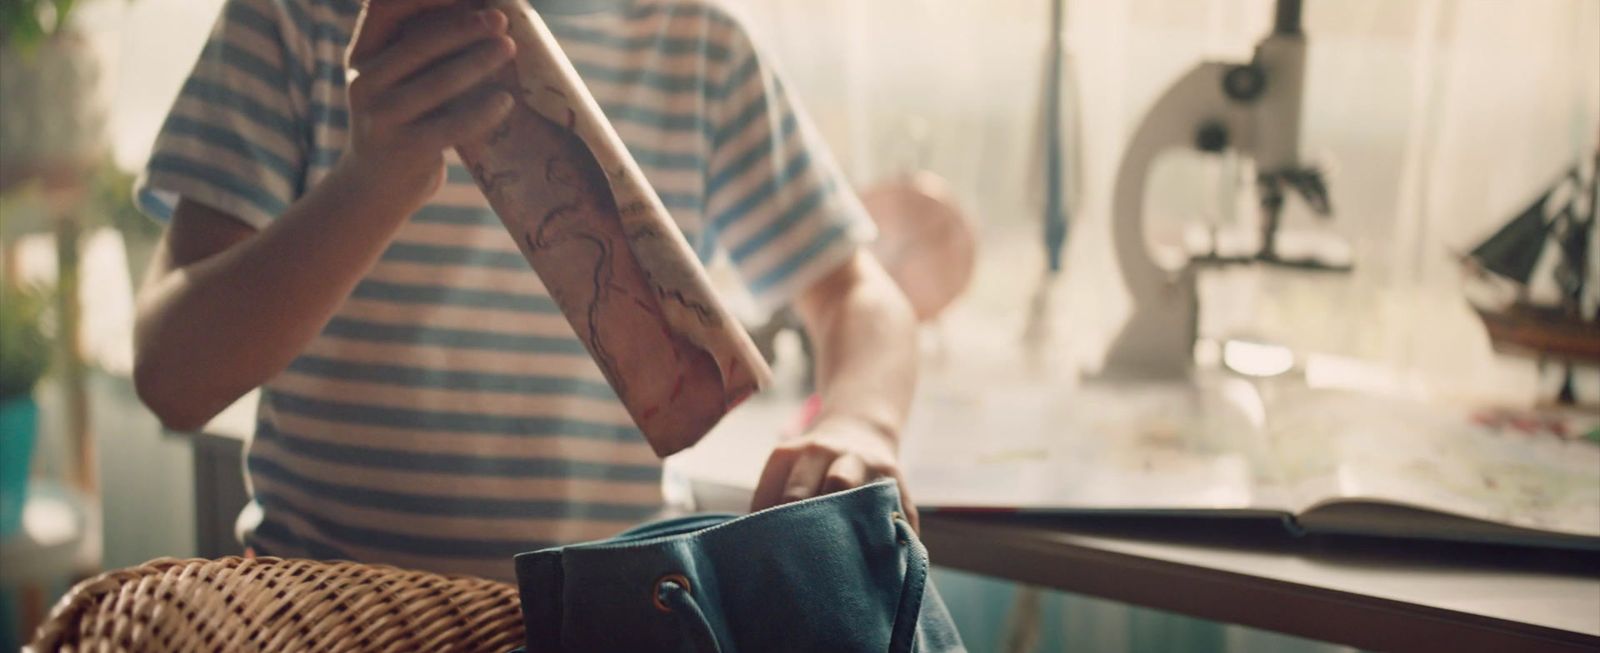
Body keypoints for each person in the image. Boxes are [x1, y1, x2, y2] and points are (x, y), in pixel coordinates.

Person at [130, 0, 918, 581]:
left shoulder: (697, 45)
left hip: (615, 609)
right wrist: (373, 180)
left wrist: (862, 419)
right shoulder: (290, 20)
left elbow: (856, 294)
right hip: (324, 606)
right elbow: (172, 376)